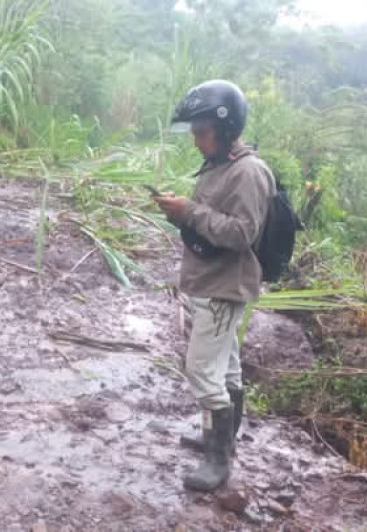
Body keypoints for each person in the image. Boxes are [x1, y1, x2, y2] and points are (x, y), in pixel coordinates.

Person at [153, 80, 275, 492]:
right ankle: (222, 439)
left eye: (201, 132)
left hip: (224, 288)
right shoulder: (221, 163)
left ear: (225, 128)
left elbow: (242, 233)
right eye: (194, 131)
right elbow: (211, 218)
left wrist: (188, 211)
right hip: (210, 282)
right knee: (227, 368)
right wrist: (182, 212)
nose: (196, 140)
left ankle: (217, 460)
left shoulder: (248, 172)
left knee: (202, 370)